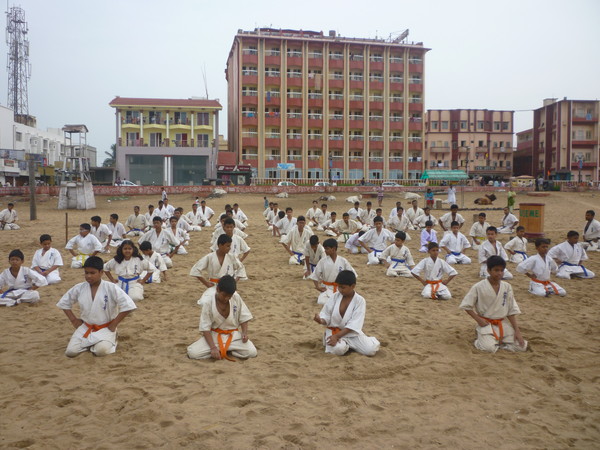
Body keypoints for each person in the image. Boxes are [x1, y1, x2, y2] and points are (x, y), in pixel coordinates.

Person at [56, 256, 137, 357]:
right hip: (86, 327)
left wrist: (114, 324)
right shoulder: (79, 288)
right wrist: (74, 320)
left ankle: (113, 339)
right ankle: (92, 344)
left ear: (101, 272)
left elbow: (128, 305)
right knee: (71, 352)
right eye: (86, 273)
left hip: (106, 328)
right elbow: (64, 303)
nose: (88, 276)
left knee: (101, 351)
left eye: (92, 273)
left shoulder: (111, 287)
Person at [459, 255, 527, 353]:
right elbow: (466, 306)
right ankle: (479, 341)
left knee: (522, 347)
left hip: (502, 324)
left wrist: (517, 331)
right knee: (489, 348)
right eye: (496, 270)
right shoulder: (478, 286)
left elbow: (511, 310)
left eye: (501, 270)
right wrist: (479, 320)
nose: (499, 273)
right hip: (486, 324)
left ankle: (499, 345)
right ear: (488, 270)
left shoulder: (507, 287)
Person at [187, 275, 257, 361]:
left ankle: (227, 349)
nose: (226, 298)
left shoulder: (236, 297)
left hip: (233, 336)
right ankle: (223, 349)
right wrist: (213, 347)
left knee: (252, 352)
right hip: (214, 336)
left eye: (229, 296)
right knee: (193, 353)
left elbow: (244, 316)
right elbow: (205, 328)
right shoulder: (208, 302)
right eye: (224, 295)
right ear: (218, 290)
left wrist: (244, 333)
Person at [313, 270, 380, 357]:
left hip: (351, 334)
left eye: (343, 287)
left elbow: (354, 324)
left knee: (370, 350)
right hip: (334, 332)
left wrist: (337, 336)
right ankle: (346, 345)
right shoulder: (334, 297)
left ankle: (361, 342)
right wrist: (321, 320)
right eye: (338, 287)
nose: (340, 290)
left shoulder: (360, 301)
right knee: (338, 350)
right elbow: (326, 315)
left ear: (352, 286)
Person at [309, 238, 357, 304]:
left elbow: (352, 274)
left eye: (327, 249)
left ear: (333, 249)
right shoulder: (322, 261)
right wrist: (318, 287)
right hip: (326, 288)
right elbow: (315, 275)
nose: (325, 251)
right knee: (321, 301)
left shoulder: (343, 261)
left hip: (340, 288)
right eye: (325, 249)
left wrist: (348, 288)